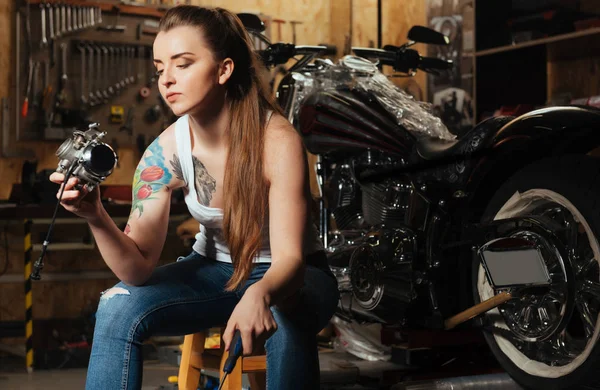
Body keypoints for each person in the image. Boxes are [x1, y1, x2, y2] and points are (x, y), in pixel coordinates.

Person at [50, 5, 339, 389]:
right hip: (215, 271)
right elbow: (136, 270)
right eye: (159, 68)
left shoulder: (277, 141)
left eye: (182, 64)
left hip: (292, 278)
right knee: (118, 305)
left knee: (285, 316)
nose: (166, 80)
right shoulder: (164, 151)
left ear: (224, 69)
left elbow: (291, 260)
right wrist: (96, 215)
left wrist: (260, 292)